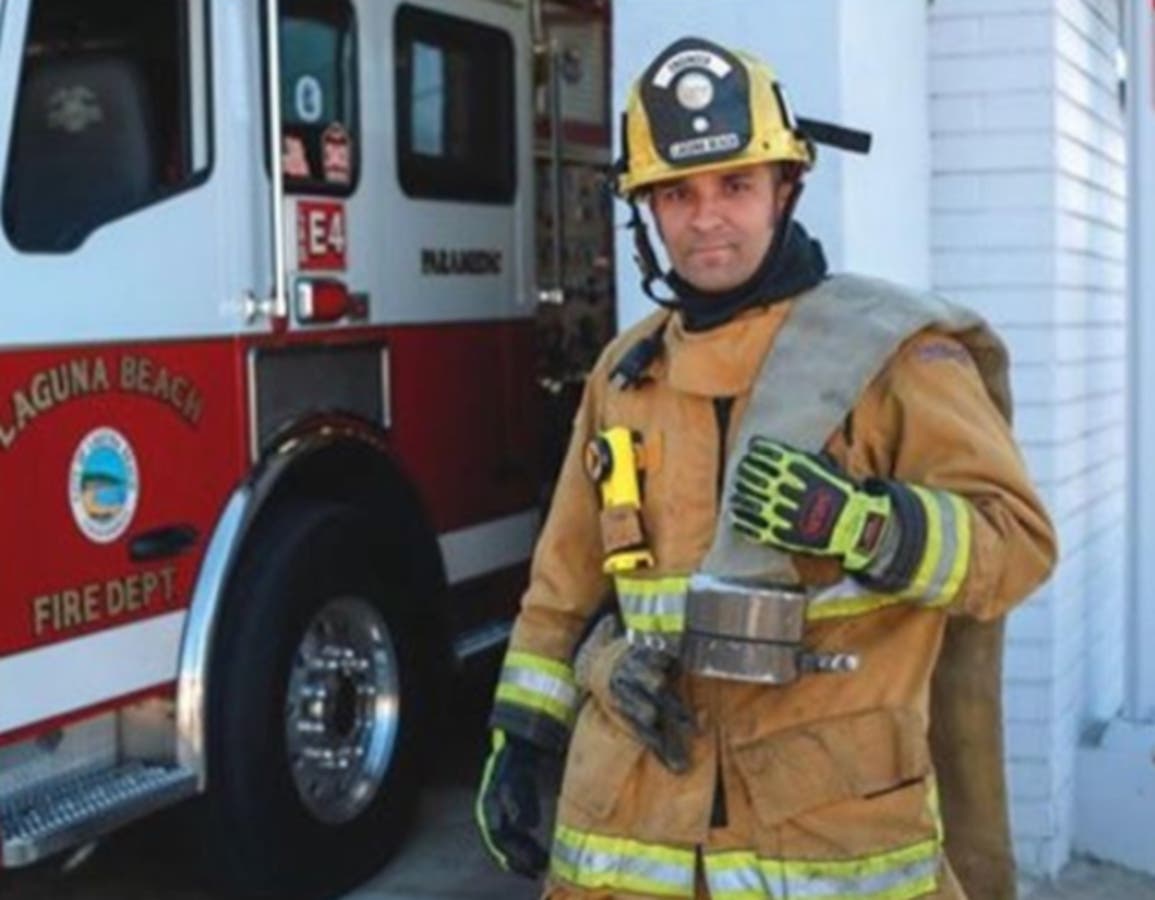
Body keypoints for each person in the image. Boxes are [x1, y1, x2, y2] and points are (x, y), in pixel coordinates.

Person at [476, 36, 1057, 900]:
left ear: (787, 188)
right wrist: (520, 736)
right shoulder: (624, 374)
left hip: (825, 831)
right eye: (676, 192)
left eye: (735, 184)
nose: (706, 216)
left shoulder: (895, 357)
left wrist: (862, 524)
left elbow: (1016, 549)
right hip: (633, 829)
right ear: (646, 210)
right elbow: (562, 588)